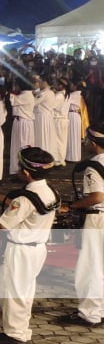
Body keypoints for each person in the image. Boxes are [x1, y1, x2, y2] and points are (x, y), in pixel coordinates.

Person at [0, 147, 58, 344]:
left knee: (12, 291)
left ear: (26, 172)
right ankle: (22, 330)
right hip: (38, 248)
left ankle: (14, 335)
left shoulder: (24, 199)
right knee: (26, 291)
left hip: (20, 249)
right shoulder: (50, 191)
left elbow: (3, 224)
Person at [59, 125, 104, 330]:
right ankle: (99, 309)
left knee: (91, 267)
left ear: (93, 144)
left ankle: (89, 313)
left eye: (87, 140)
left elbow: (96, 196)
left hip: (98, 219)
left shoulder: (94, 167)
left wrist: (72, 206)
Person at [8, 81, 35, 177]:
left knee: (22, 145)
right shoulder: (23, 94)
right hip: (19, 121)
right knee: (17, 146)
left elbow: (13, 100)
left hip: (24, 122)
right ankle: (17, 169)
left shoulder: (26, 95)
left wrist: (9, 92)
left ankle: (22, 171)